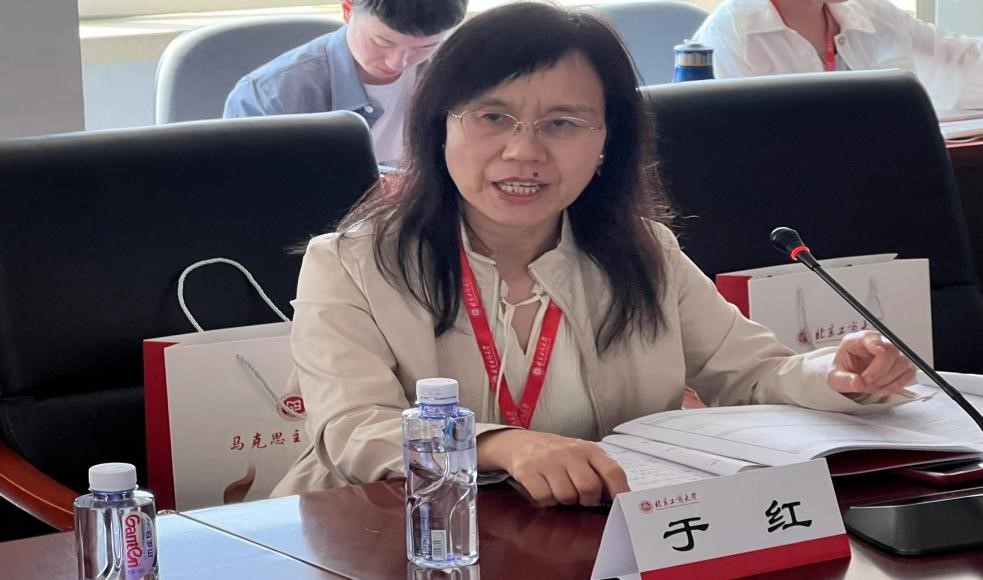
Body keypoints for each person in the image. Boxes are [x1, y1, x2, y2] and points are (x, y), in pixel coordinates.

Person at [274, 2, 916, 507]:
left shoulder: (644, 251)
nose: (523, 152)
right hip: (396, 535)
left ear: (608, 142)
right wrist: (503, 446)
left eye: (562, 123)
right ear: (440, 126)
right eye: (492, 117)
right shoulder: (351, 264)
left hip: (592, 535)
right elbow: (355, 431)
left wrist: (836, 374)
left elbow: (751, 372)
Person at [223, 0, 468, 165]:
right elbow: (247, 194)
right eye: (382, 42)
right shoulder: (269, 97)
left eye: (424, 47)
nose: (397, 62)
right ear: (348, 10)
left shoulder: (456, 72)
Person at [693, 0, 983, 111]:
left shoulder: (875, 14)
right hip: (785, 196)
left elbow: (963, 59)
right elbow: (738, 145)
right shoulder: (731, 32)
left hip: (882, 176)